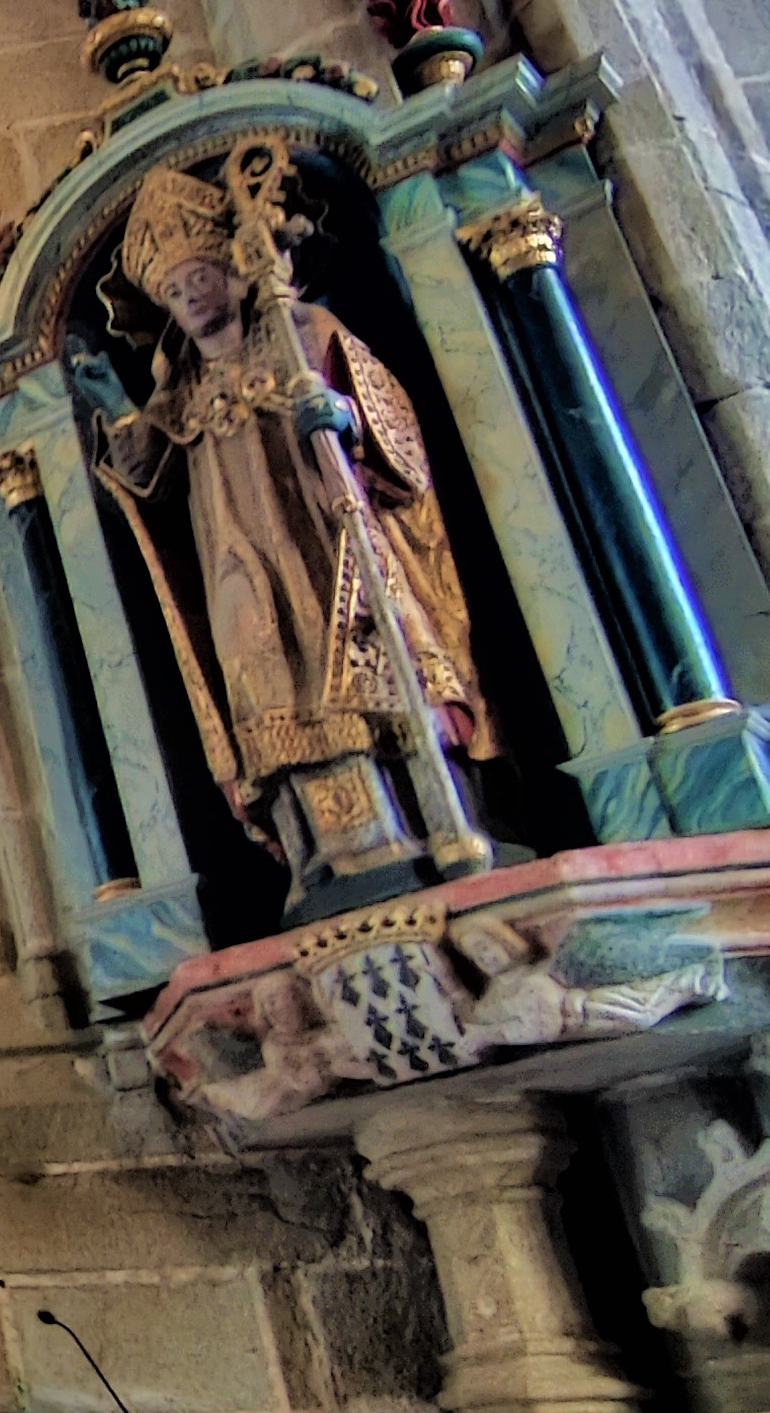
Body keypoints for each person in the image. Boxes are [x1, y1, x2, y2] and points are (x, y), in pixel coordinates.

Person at [82, 161, 491, 902]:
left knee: (363, 662)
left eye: (199, 278)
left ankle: (416, 824)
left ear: (238, 273)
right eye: (173, 291)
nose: (189, 297)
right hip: (238, 559)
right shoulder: (182, 384)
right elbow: (148, 476)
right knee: (261, 678)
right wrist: (114, 404)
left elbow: (397, 435)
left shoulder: (305, 334)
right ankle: (313, 859)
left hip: (322, 537)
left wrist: (344, 417)